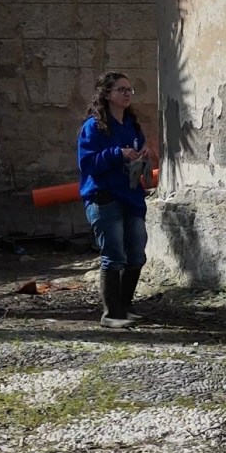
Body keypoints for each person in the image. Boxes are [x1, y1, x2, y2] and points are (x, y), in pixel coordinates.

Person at [78, 71, 157, 328]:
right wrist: (116, 153)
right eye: (121, 89)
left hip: (131, 196)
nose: (127, 94)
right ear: (106, 95)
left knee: (136, 254)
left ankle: (125, 307)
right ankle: (111, 314)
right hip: (104, 197)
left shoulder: (132, 125)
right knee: (113, 255)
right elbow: (88, 163)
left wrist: (144, 155)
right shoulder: (93, 127)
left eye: (129, 90)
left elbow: (141, 153)